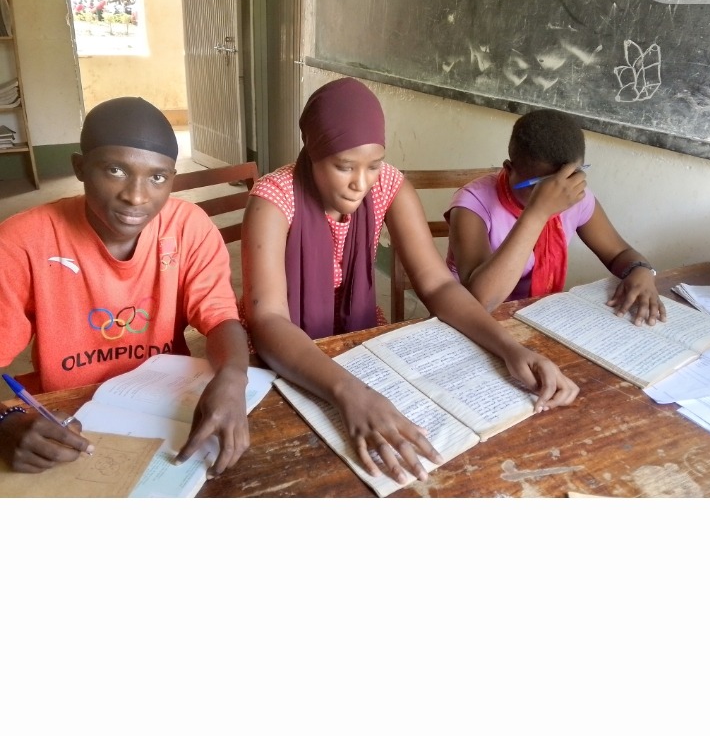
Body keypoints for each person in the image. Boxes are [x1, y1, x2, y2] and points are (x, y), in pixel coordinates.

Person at [241, 78, 579, 487]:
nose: (360, 183)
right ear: (312, 152)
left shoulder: (388, 186)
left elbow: (437, 285)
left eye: (374, 163)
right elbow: (269, 320)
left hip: (357, 340)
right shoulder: (274, 199)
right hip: (284, 356)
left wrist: (509, 347)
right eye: (344, 166)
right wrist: (350, 392)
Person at [0, 97, 250, 476]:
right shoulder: (22, 241)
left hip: (164, 406)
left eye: (158, 177)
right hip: (65, 416)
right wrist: (7, 422)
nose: (136, 196)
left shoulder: (188, 227)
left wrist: (233, 375)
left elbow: (219, 318)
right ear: (80, 167)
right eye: (115, 170)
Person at [446, 108, 665, 324]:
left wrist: (641, 270)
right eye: (539, 186)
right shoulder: (472, 205)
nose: (557, 193)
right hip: (470, 322)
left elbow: (620, 253)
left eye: (570, 177)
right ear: (509, 169)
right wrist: (537, 214)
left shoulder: (573, 196)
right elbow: (480, 301)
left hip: (538, 317)